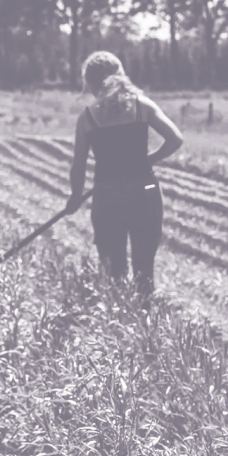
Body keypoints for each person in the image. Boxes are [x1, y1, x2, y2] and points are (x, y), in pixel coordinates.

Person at [64, 51, 185, 297]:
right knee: (144, 269)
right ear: (121, 75)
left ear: (90, 84)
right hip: (146, 191)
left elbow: (78, 166)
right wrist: (149, 159)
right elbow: (175, 139)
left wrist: (75, 197)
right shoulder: (142, 106)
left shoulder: (87, 118)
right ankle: (144, 314)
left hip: (107, 195)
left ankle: (118, 315)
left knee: (113, 271)